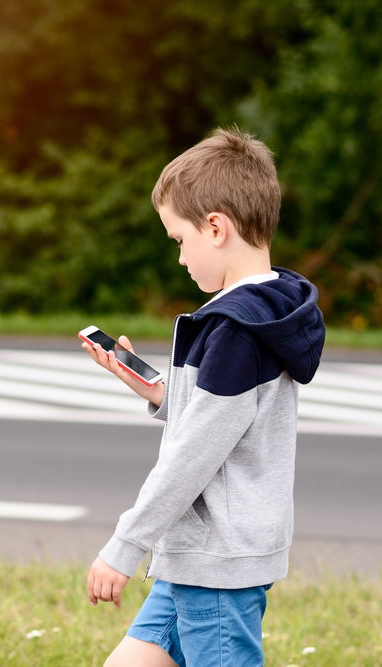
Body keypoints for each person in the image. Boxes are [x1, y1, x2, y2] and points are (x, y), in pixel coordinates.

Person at [81, 126, 325, 667]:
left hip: (214, 561)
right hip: (197, 553)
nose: (179, 258)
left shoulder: (237, 329)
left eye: (178, 240)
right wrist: (158, 392)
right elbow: (228, 420)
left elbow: (194, 455)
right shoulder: (269, 308)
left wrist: (124, 545)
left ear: (215, 228)